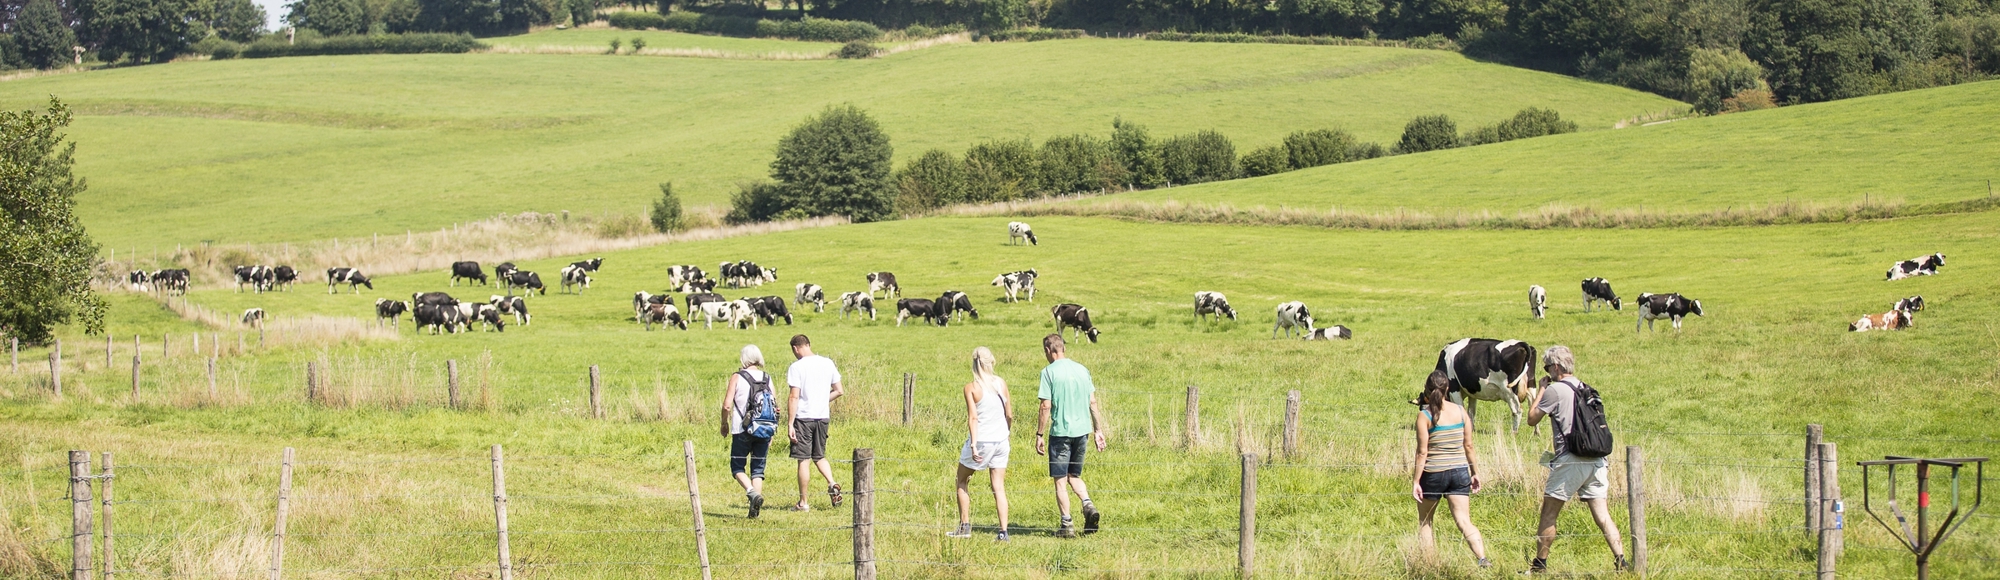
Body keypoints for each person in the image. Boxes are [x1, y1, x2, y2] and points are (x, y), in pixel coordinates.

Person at [1524, 345, 1626, 574]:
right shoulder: (1587, 388)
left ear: (1556, 366)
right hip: (1597, 460)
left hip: (1570, 460)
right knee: (1603, 515)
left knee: (1549, 513)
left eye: (1547, 366)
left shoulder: (1555, 390)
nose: (1547, 371)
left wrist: (1540, 389)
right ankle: (1621, 561)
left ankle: (1539, 566)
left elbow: (1531, 419)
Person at [1412, 370, 1489, 567]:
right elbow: (1469, 446)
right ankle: (1482, 559)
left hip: (1433, 473)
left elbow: (1422, 452)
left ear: (1426, 390)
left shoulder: (1425, 415)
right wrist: (1475, 473)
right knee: (1464, 521)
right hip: (1459, 472)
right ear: (1447, 389)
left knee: (1426, 522)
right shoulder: (1461, 411)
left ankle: (1429, 565)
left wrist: (1416, 481)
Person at [1034, 333, 1107, 538]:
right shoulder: (1082, 369)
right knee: (1073, 475)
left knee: (1060, 480)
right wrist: (1098, 430)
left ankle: (1067, 525)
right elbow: (1093, 403)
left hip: (1061, 433)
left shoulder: (1048, 372)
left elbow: (1045, 405)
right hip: (1082, 431)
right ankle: (1088, 504)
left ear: (1049, 350)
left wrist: (1039, 433)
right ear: (1063, 348)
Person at [949, 347, 1014, 541]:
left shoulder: (971, 387)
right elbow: (1009, 414)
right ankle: (1003, 532)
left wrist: (974, 445)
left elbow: (973, 418)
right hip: (1002, 441)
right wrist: (1007, 433)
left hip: (983, 440)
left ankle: (965, 526)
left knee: (962, 479)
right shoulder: (1001, 383)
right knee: (998, 487)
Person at [785, 334, 845, 511]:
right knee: (819, 456)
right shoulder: (827, 362)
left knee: (803, 460)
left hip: (804, 418)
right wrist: (821, 401)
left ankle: (803, 502)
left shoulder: (796, 367)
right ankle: (832, 483)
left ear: (795, 348)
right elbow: (839, 390)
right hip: (822, 416)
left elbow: (794, 396)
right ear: (808, 345)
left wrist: (789, 423)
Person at [720, 344, 774, 519]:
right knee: (758, 469)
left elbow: (727, 405)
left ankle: (752, 493)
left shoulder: (737, 377)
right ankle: (755, 510)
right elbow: (775, 407)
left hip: (741, 428)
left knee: (737, 467)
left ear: (744, 358)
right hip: (764, 428)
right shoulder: (767, 378)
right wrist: (771, 432)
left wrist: (724, 423)